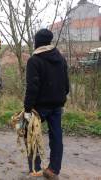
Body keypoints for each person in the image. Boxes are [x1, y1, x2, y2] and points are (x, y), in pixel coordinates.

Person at [24, 29, 69, 179]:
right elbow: (66, 85)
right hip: (57, 105)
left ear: (37, 42)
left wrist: (27, 109)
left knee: (31, 134)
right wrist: (61, 99)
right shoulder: (61, 59)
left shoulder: (34, 60)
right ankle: (53, 170)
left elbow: (32, 87)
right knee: (56, 136)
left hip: (39, 107)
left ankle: (35, 169)